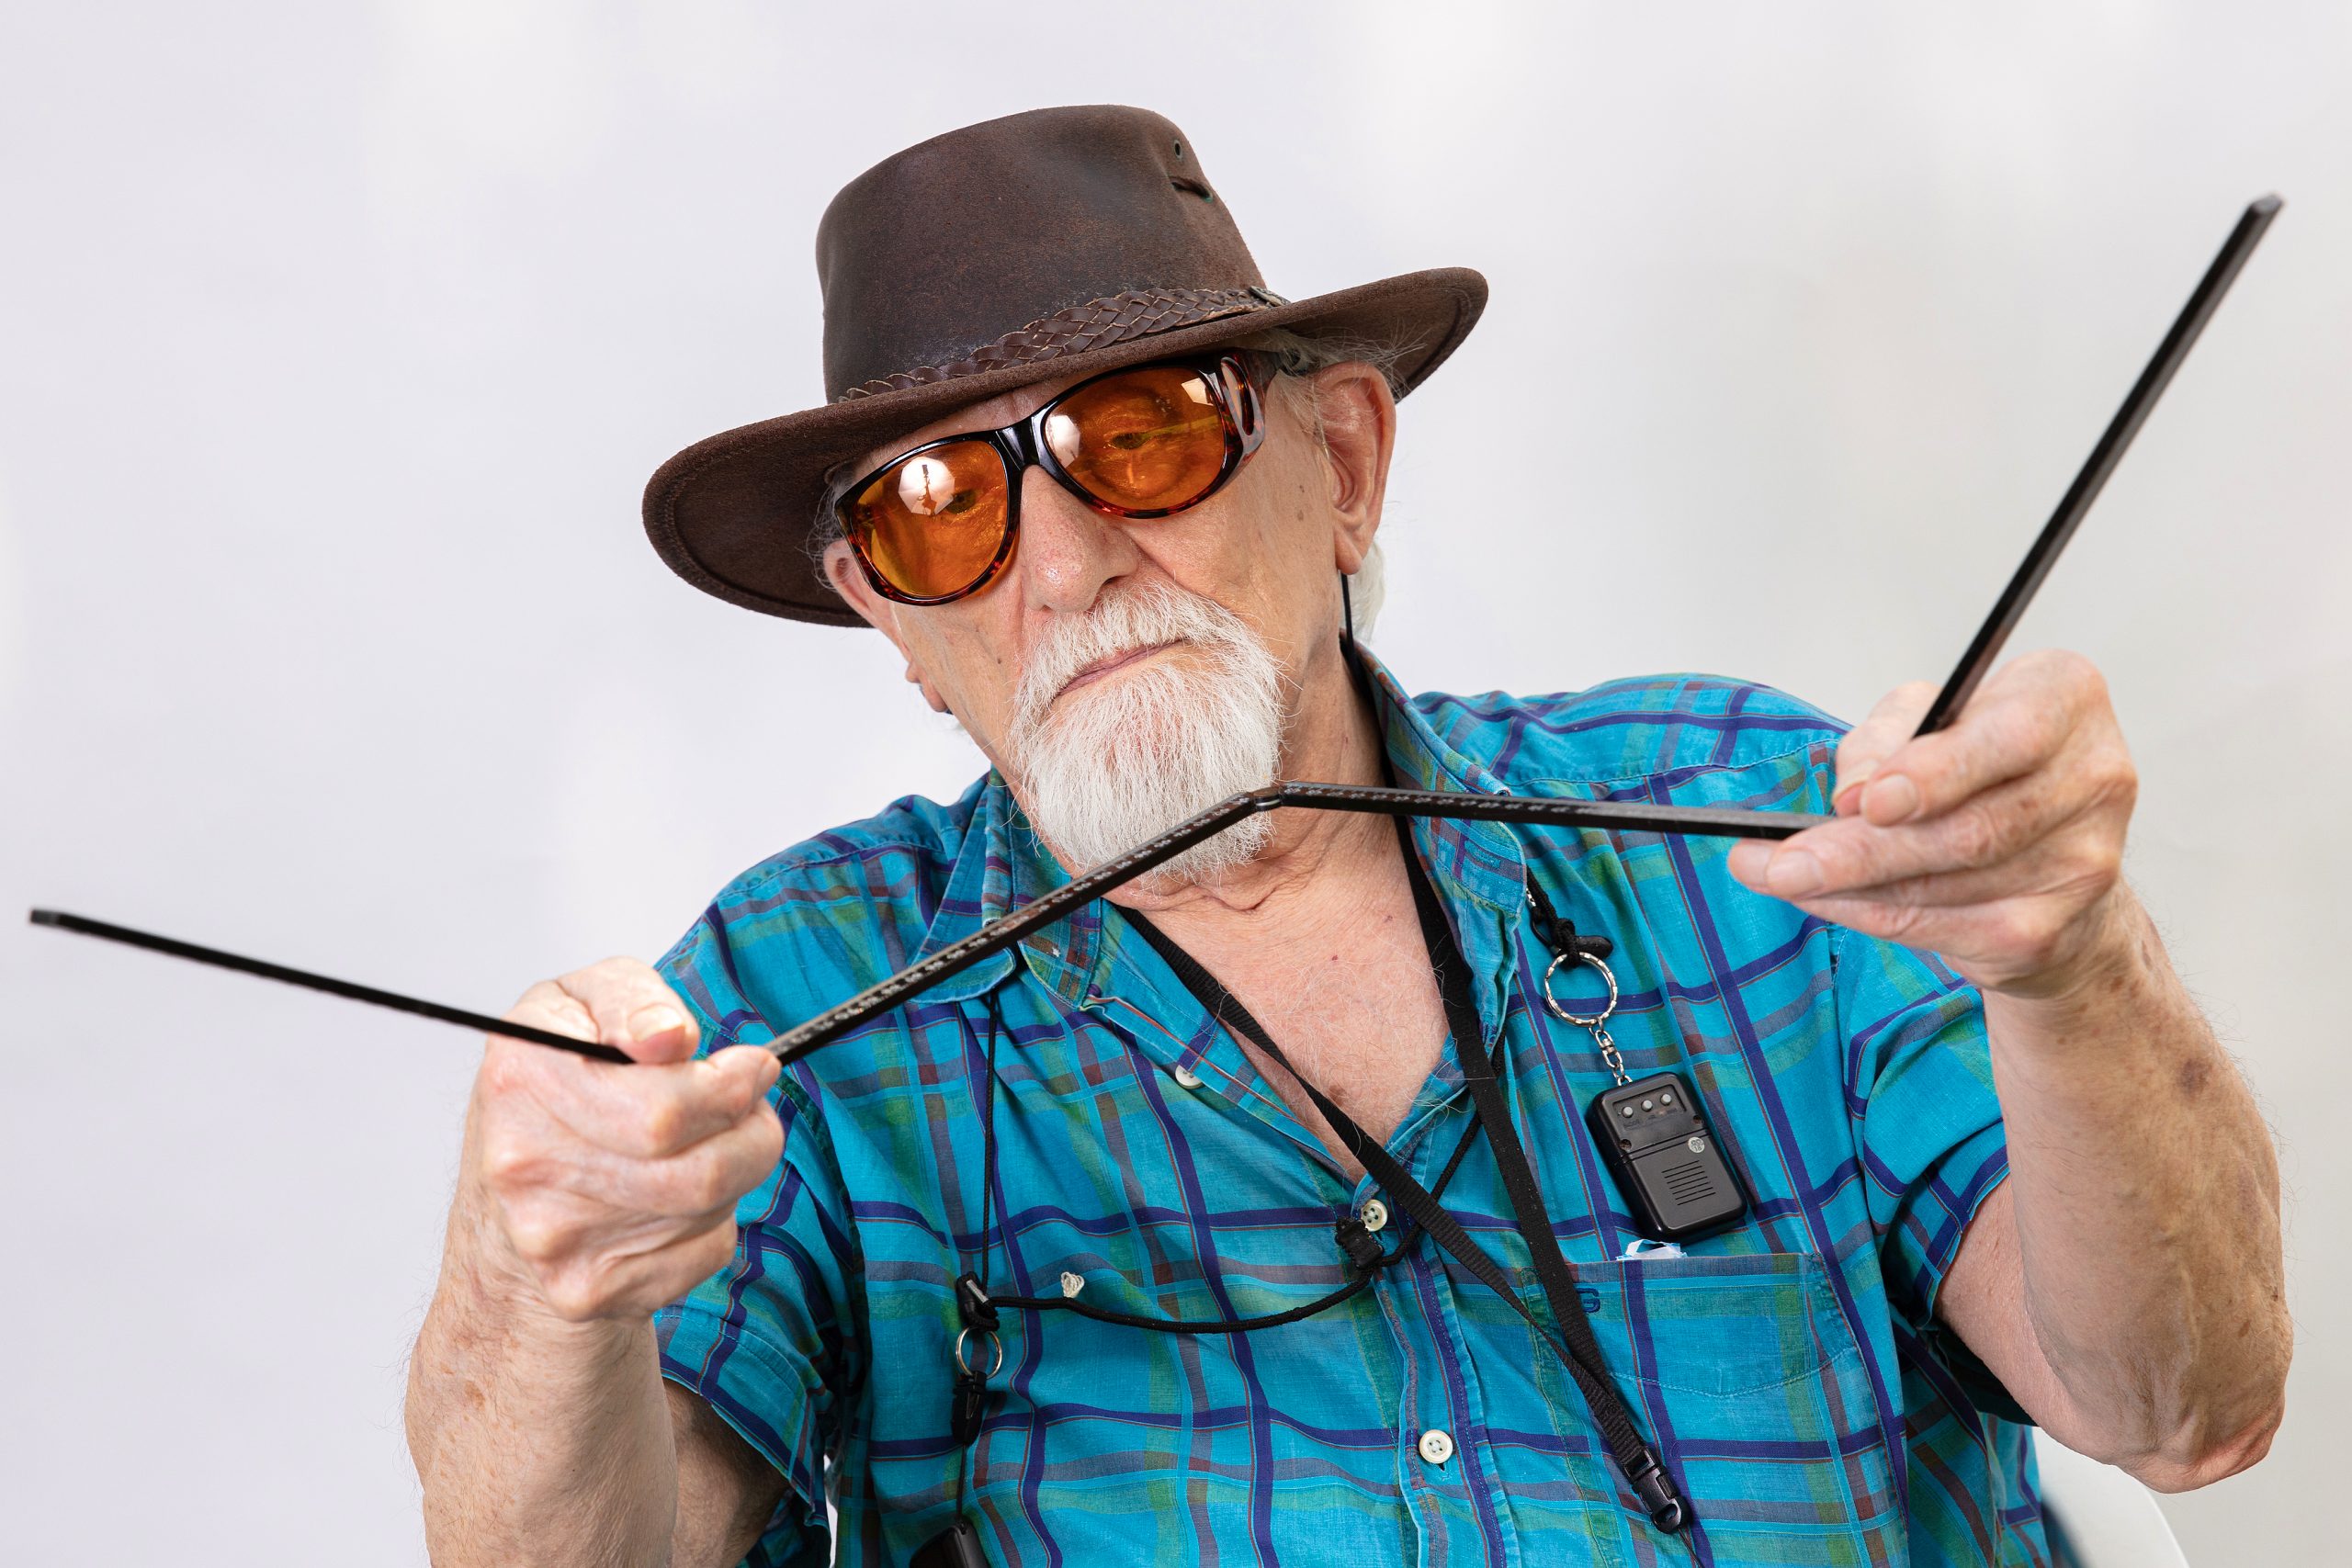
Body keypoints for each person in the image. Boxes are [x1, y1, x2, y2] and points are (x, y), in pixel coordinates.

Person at [403, 105, 2289, 1567]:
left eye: (1140, 436)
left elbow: (2183, 1407)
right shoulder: (803, 992)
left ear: (1345, 468)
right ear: (890, 620)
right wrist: (532, 1271)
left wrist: (2070, 965)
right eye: (938, 510)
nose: (1064, 563)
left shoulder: (1743, 823)